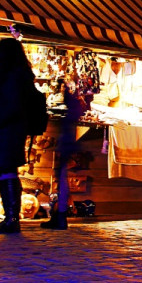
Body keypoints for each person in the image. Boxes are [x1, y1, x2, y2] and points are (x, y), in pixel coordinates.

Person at [0, 38, 35, 234]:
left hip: (6, 128)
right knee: (5, 170)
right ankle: (10, 217)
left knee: (6, 170)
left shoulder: (10, 76)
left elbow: (11, 105)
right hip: (10, 128)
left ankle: (12, 218)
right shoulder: (18, 75)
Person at [42, 75, 85, 230]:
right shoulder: (73, 104)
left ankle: (60, 216)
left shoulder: (71, 104)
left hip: (66, 144)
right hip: (67, 143)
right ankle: (59, 216)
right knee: (61, 179)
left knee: (62, 179)